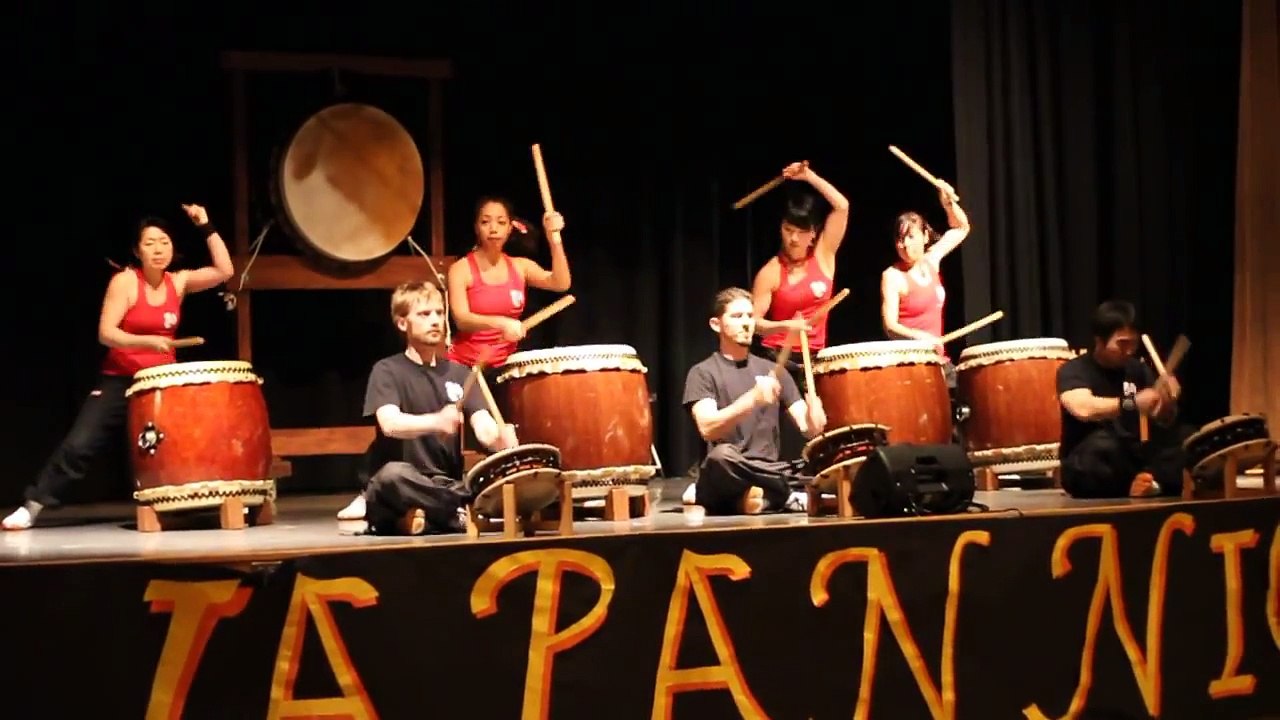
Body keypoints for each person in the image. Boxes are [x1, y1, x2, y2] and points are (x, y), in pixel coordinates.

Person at [2, 205, 234, 530]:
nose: (158, 249)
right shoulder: (126, 282)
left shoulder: (178, 283)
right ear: (137, 250)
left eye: (164, 242)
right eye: (150, 243)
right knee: (80, 444)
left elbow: (225, 271)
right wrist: (148, 342)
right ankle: (32, 506)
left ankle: (186, 507)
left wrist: (206, 226)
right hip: (120, 379)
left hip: (159, 382)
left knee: (178, 445)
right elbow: (106, 334)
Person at [350, 282, 519, 534]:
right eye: (424, 314)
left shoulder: (461, 373)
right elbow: (390, 424)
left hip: (446, 483)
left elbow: (484, 428)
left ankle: (430, 518)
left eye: (439, 313)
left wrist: (499, 439)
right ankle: (460, 512)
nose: (435, 321)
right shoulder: (387, 370)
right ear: (402, 323)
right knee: (389, 477)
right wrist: (437, 421)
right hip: (406, 482)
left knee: (486, 476)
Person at [682, 287, 827, 515]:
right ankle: (783, 494)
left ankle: (757, 498)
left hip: (770, 468)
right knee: (720, 457)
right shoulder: (703, 372)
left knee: (819, 462)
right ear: (716, 324)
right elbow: (708, 427)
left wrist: (814, 416)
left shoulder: (773, 370)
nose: (747, 323)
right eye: (737, 317)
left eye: (750, 316)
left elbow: (808, 429)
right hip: (731, 467)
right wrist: (753, 399)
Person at [1056, 300, 1189, 498]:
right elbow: (1083, 408)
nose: (1129, 350)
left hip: (1131, 456)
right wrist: (1132, 403)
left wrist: (1167, 402)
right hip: (1094, 458)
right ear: (1099, 341)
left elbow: (1161, 418)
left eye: (1133, 343)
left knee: (1188, 439)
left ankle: (1148, 484)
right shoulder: (1074, 369)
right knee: (1101, 448)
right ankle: (1149, 483)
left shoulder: (1137, 369)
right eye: (1122, 344)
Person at [446, 196, 572, 369]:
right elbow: (462, 319)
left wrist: (554, 239)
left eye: (501, 222)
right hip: (465, 366)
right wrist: (502, 323)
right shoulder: (461, 269)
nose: (493, 229)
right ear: (476, 228)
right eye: (485, 222)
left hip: (505, 367)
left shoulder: (521, 266)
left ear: (510, 228)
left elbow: (561, 283)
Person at [751, 161, 850, 366]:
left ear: (813, 233)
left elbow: (842, 206)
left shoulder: (823, 255)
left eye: (801, 232)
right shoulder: (771, 271)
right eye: (788, 230)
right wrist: (785, 327)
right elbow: (754, 323)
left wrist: (809, 176)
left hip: (815, 357)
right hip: (777, 357)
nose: (794, 239)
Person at [880, 180, 971, 384]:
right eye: (900, 239)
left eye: (911, 237)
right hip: (911, 364)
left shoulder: (932, 260)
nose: (904, 244)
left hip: (938, 360)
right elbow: (890, 325)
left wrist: (948, 203)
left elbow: (962, 228)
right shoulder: (892, 276)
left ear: (925, 236)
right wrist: (919, 337)